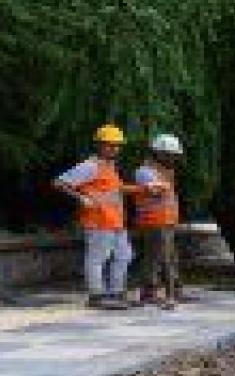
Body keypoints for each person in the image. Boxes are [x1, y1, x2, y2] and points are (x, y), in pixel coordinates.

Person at [54, 124, 142, 310]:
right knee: (97, 258)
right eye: (110, 145)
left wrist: (144, 189)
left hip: (115, 221)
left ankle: (116, 293)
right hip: (98, 221)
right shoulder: (90, 166)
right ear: (100, 145)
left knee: (124, 256)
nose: (114, 148)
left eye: (117, 145)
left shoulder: (109, 167)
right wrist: (81, 198)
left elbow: (116, 190)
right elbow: (59, 182)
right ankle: (96, 296)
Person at [134, 134, 184, 310]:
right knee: (157, 258)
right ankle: (151, 292)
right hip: (153, 221)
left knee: (170, 257)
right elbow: (155, 191)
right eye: (169, 154)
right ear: (158, 153)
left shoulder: (165, 171)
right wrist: (160, 186)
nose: (173, 158)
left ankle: (173, 290)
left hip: (167, 221)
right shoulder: (145, 171)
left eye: (174, 155)